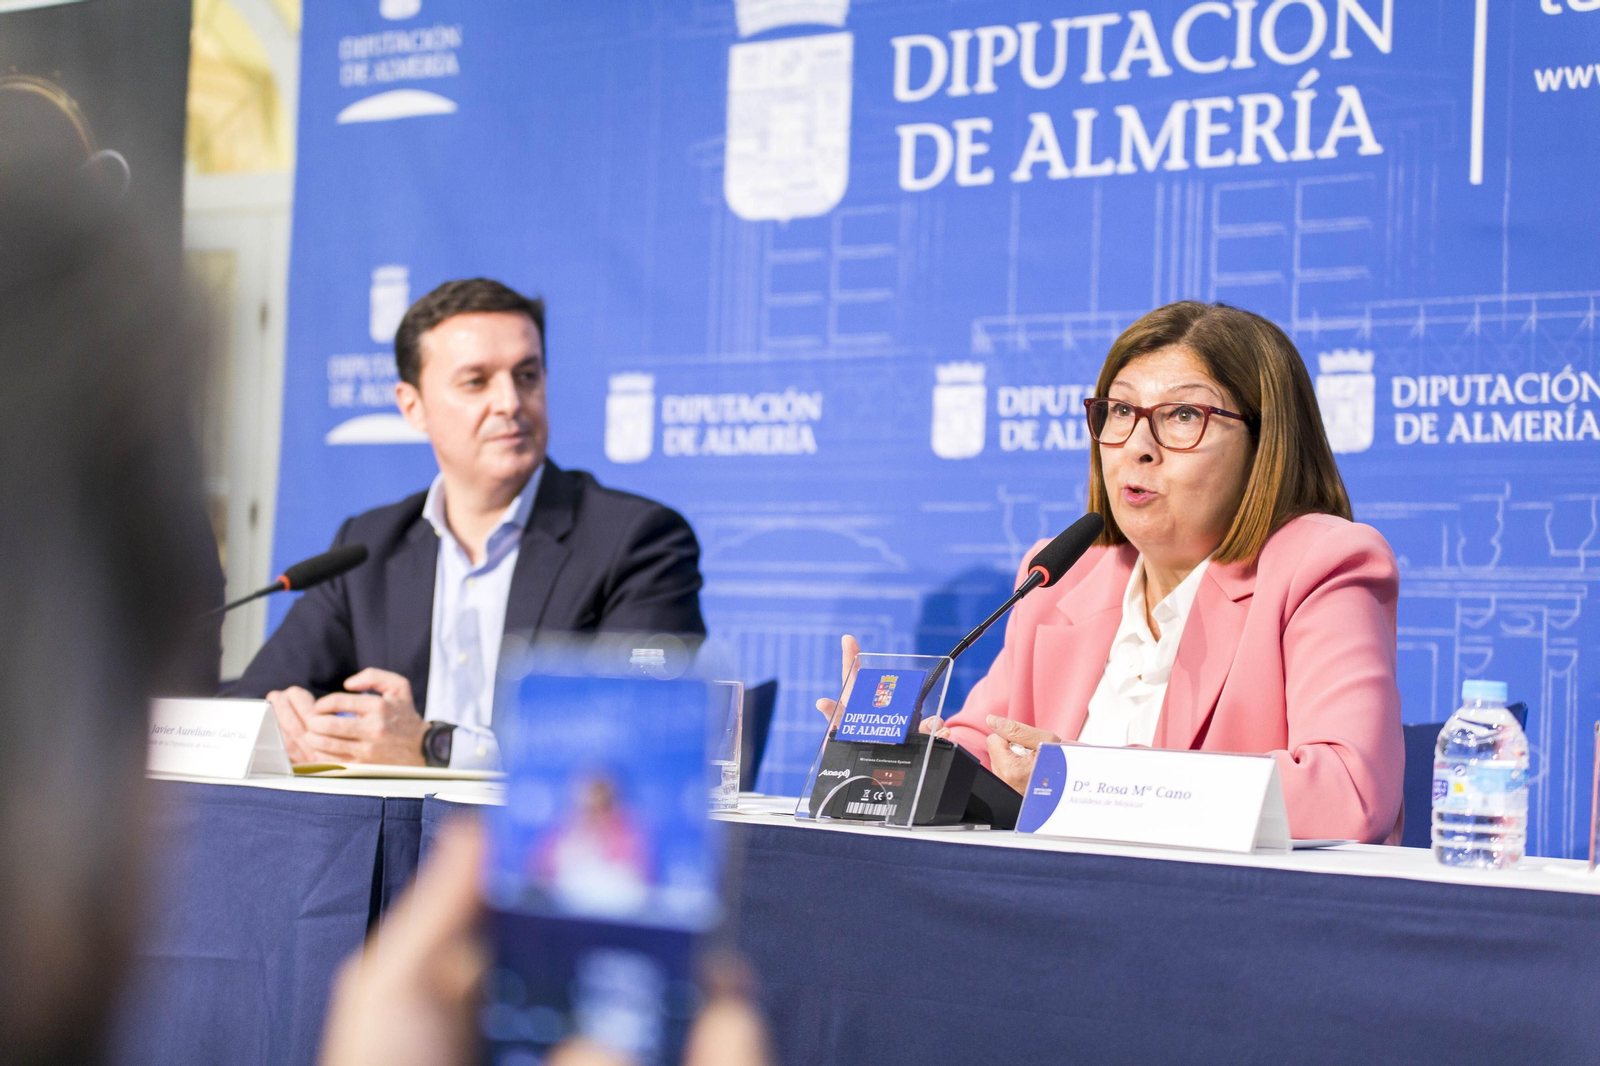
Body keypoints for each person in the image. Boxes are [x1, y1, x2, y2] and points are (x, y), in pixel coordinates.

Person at [823, 301, 1405, 843]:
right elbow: (990, 743)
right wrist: (901, 753)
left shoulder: (1320, 566)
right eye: (1122, 410)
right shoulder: (1064, 575)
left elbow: (1347, 792)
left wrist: (1087, 783)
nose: (1138, 446)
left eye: (1183, 415)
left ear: (1265, 442)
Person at [229, 278, 707, 769]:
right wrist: (286, 720)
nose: (510, 403)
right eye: (476, 381)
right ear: (412, 406)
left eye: (527, 376)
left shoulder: (636, 541)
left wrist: (434, 747)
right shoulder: (369, 546)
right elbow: (250, 704)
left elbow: (641, 740)